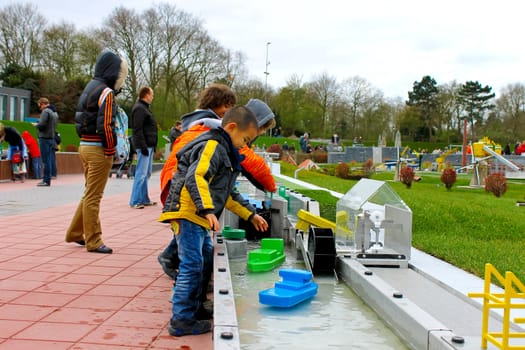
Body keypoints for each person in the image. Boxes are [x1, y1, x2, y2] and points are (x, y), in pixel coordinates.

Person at [159, 106, 268, 336]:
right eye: (245, 139)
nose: (244, 146)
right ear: (231, 127)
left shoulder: (227, 153)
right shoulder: (213, 145)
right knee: (192, 264)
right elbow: (196, 175)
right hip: (188, 212)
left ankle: (196, 307)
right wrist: (206, 208)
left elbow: (228, 195)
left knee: (206, 258)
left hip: (198, 215)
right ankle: (181, 319)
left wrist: (250, 214)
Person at [157, 98, 277, 280]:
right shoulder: (221, 141)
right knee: (192, 254)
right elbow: (252, 164)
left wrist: (250, 214)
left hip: (181, 187)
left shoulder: (213, 131)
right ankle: (185, 299)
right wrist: (271, 187)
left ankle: (187, 282)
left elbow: (225, 191)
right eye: (261, 130)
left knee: (194, 244)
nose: (255, 137)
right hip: (186, 193)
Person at [65, 49, 128, 254]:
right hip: (98, 149)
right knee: (94, 196)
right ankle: (94, 240)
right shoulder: (107, 92)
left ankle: (75, 233)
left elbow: (81, 120)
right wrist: (110, 150)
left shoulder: (90, 88)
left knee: (88, 193)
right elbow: (106, 126)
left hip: (84, 145)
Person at [129, 86, 158, 209]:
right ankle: (135, 200)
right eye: (152, 94)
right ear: (146, 95)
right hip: (145, 146)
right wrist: (143, 146)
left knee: (146, 173)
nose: (153, 97)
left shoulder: (144, 108)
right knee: (141, 173)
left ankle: (144, 198)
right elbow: (137, 129)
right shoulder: (140, 109)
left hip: (149, 145)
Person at [35, 97, 58, 187]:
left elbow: (42, 124)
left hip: (44, 137)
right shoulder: (54, 112)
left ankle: (46, 180)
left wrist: (37, 125)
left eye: (40, 105)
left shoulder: (46, 111)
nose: (40, 108)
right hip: (51, 138)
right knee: (49, 159)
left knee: (45, 160)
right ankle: (48, 178)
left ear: (42, 104)